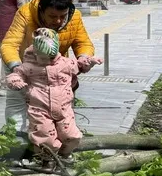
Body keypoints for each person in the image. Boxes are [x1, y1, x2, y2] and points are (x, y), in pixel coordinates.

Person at [0, 0, 98, 131]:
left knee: (58, 105)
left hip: (54, 67)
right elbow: (9, 44)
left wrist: (84, 57)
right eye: (52, 16)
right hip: (21, 63)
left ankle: (58, 138)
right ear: (41, 10)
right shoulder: (25, 13)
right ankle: (16, 138)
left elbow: (82, 43)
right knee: (17, 102)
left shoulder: (74, 16)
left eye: (62, 16)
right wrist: (16, 68)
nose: (58, 21)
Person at [7, 28, 101, 161]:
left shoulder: (65, 64)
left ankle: (64, 155)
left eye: (52, 57)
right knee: (44, 137)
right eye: (43, 58)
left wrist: (90, 62)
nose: (48, 61)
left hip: (64, 108)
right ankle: (47, 160)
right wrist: (15, 81)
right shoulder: (28, 67)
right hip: (39, 109)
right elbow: (16, 74)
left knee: (71, 135)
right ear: (35, 53)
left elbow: (80, 66)